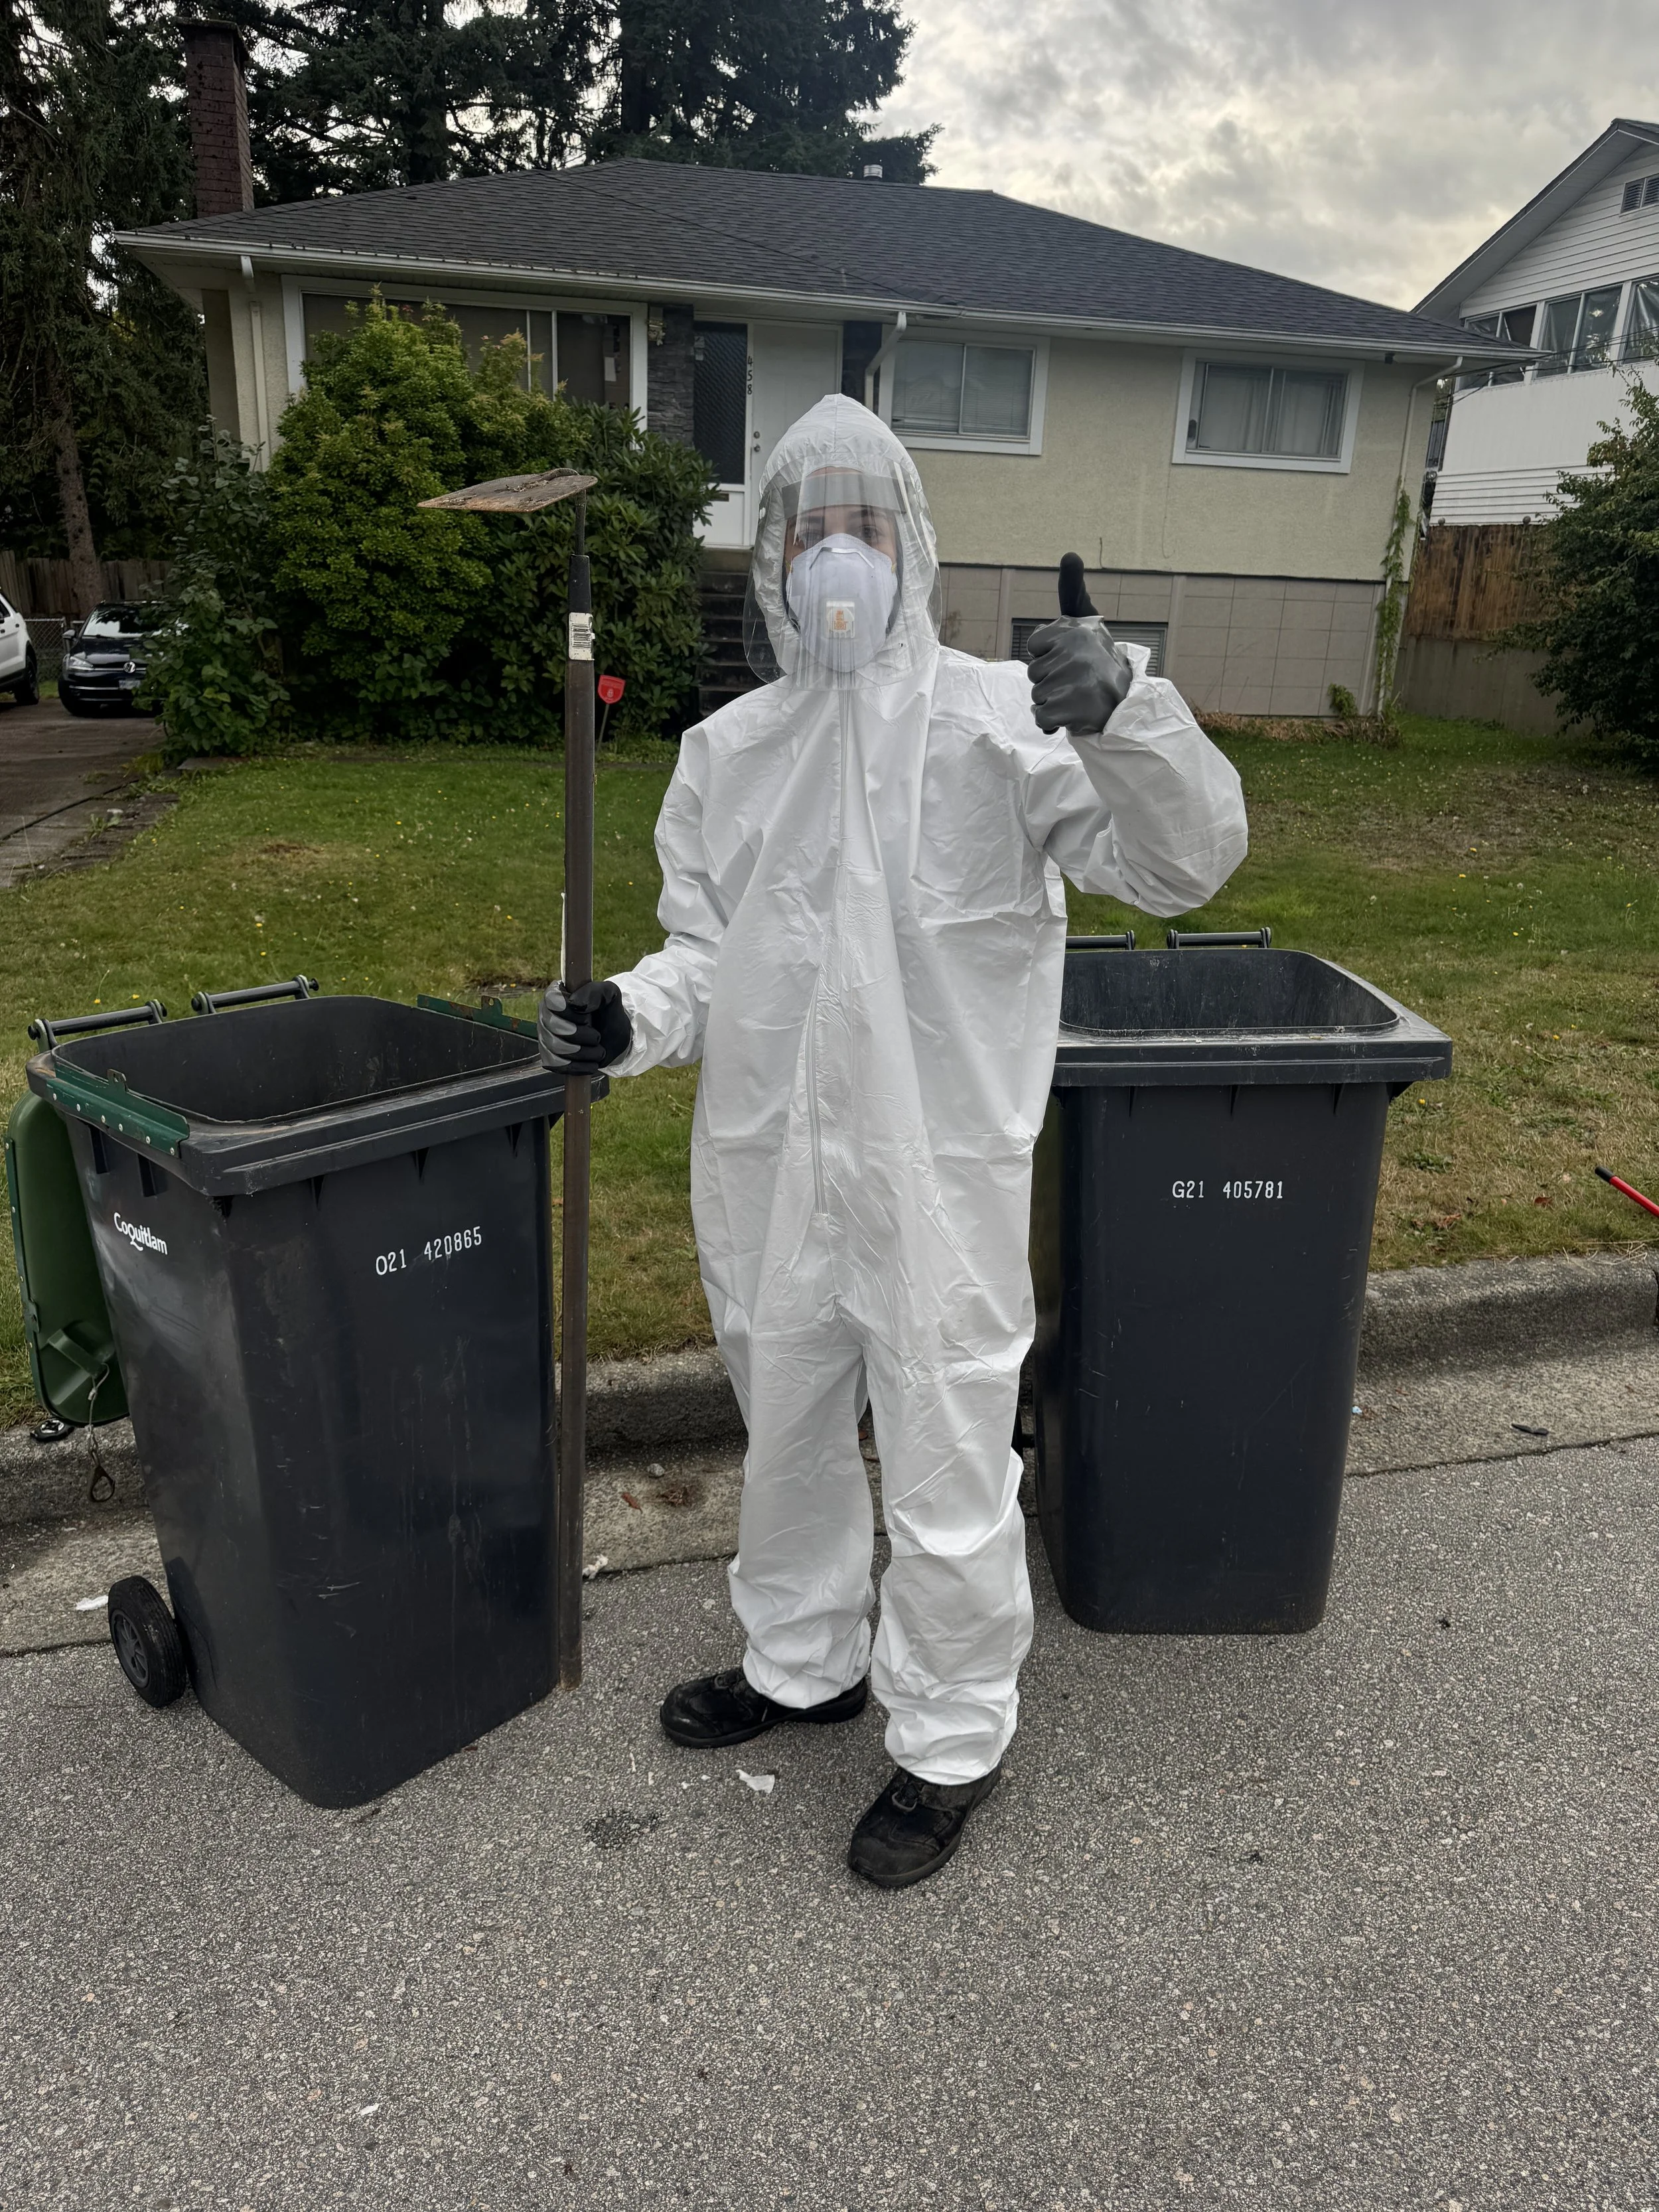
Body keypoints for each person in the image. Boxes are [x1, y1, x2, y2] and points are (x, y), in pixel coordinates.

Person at [540, 395, 1247, 1888]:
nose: (834, 551)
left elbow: (1179, 862)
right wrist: (625, 1017)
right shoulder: (726, 750)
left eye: (865, 520)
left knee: (941, 1455)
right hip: (772, 1178)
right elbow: (701, 950)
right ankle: (802, 1664)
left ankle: (948, 1741)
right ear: (773, 558)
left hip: (940, 1182)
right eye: (809, 526)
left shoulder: (1002, 721)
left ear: (909, 547)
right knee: (788, 1437)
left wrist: (1123, 710)